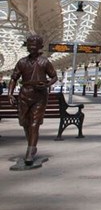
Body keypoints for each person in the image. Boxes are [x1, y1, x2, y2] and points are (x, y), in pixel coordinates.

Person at [7, 34, 58, 165]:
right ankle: (32, 144)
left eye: (35, 45)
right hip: (24, 94)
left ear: (40, 47)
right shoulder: (22, 62)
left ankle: (30, 150)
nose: (32, 47)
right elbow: (14, 78)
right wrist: (10, 94)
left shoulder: (45, 62)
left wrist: (47, 84)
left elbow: (54, 77)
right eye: (29, 45)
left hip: (39, 95)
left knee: (34, 123)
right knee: (24, 122)